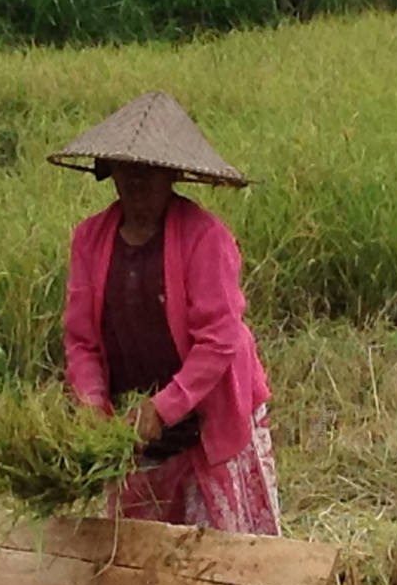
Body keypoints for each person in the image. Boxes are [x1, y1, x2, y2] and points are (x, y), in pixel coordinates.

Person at [48, 91, 280, 536]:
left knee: (216, 553)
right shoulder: (90, 239)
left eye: (151, 171)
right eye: (128, 170)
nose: (138, 182)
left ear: (173, 174)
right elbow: (82, 341)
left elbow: (220, 338)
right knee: (139, 551)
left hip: (207, 416)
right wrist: (94, 408)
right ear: (108, 170)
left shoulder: (205, 237)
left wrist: (164, 407)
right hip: (135, 429)